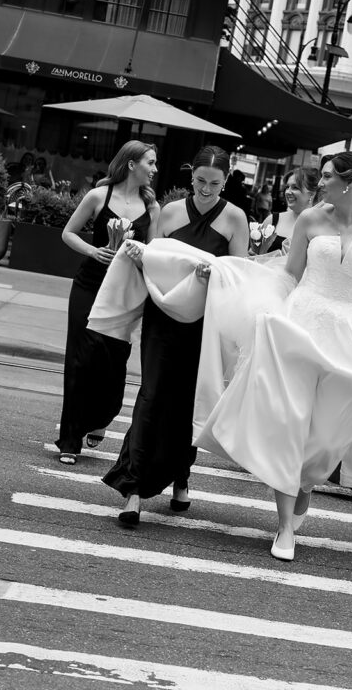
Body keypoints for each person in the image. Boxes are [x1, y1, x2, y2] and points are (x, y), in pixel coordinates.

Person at [193, 151, 352, 561]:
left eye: (329, 176)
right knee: (290, 422)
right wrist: (246, 288)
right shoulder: (312, 220)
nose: (322, 183)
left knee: (325, 433)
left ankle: (307, 481)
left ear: (349, 182)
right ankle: (283, 529)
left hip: (350, 333)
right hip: (300, 325)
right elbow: (289, 273)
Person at [103, 145, 249, 527]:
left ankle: (181, 477)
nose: (205, 189)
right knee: (151, 395)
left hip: (204, 323)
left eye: (214, 183)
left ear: (226, 180)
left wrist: (214, 277)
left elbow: (239, 278)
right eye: (200, 180)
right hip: (162, 316)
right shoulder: (168, 212)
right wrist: (138, 256)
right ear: (190, 176)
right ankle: (133, 488)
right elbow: (153, 260)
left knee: (187, 402)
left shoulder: (235, 218)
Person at [56, 141, 160, 465]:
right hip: (89, 285)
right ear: (131, 164)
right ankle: (70, 439)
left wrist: (140, 256)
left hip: (125, 294)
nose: (155, 170)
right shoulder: (98, 196)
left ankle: (101, 417)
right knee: (79, 360)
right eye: (151, 163)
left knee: (114, 362)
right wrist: (92, 250)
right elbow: (68, 233)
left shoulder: (152, 208)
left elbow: (154, 254)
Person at [260, 166, 318, 251]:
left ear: (312, 194)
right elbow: (256, 253)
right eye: (287, 187)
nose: (288, 192)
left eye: (295, 187)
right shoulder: (272, 220)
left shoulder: (321, 226)